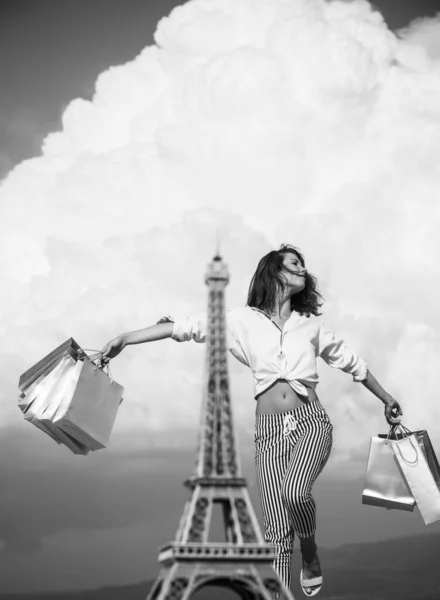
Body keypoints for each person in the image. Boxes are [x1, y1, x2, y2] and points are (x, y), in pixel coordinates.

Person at [99, 244, 403, 598]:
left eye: (303, 264)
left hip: (310, 422)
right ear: (274, 272)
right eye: (294, 264)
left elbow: (355, 365)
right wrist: (124, 339)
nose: (303, 269)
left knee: (295, 492)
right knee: (275, 534)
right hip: (269, 433)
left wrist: (387, 399)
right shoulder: (240, 321)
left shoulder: (311, 327)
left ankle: (310, 551)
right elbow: (182, 327)